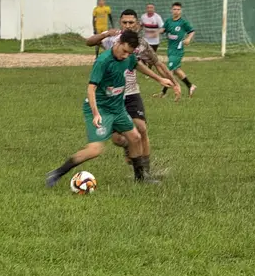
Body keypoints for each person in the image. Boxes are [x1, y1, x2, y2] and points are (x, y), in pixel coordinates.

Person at [46, 30, 175, 187]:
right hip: (101, 109)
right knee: (95, 150)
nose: (126, 56)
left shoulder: (128, 57)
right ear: (118, 42)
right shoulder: (103, 61)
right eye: (125, 51)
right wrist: (96, 114)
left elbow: (137, 64)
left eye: (130, 53)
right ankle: (57, 173)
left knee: (135, 137)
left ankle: (140, 178)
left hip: (118, 108)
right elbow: (91, 89)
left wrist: (159, 79)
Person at [87, 9, 181, 176]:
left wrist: (174, 82)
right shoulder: (111, 38)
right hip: (111, 95)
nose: (128, 25)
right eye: (125, 22)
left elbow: (158, 64)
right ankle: (128, 146)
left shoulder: (141, 44)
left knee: (142, 128)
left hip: (131, 92)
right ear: (120, 23)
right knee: (117, 139)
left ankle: (145, 171)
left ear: (137, 24)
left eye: (131, 22)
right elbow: (89, 42)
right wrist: (105, 34)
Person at [156, 2, 197, 98]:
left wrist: (188, 39)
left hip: (178, 50)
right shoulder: (168, 21)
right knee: (177, 70)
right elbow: (163, 30)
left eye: (178, 9)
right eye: (174, 9)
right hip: (170, 50)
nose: (176, 11)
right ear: (171, 10)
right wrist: (156, 32)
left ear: (181, 11)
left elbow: (192, 31)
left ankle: (163, 92)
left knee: (169, 70)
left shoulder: (183, 22)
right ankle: (190, 86)